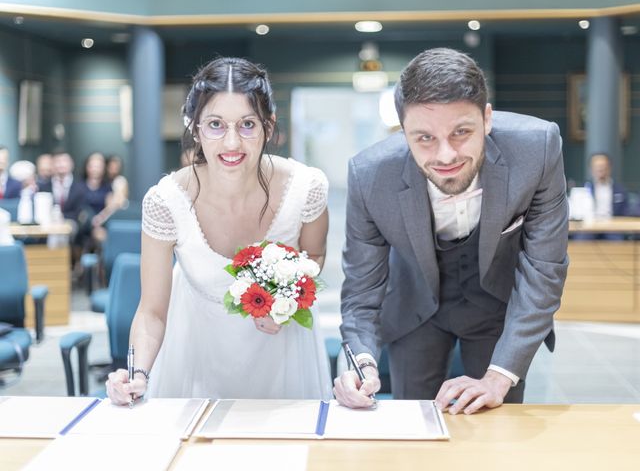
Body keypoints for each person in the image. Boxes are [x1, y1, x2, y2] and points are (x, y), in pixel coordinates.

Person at [334, 48, 569, 415]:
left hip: (497, 304)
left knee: (495, 421)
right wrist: (359, 362)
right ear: (403, 131)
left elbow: (544, 270)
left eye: (461, 132)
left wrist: (498, 377)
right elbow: (362, 289)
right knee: (411, 420)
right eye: (424, 138)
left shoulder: (537, 149)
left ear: (487, 119)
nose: (445, 155)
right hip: (413, 306)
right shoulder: (369, 176)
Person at [106, 57, 332, 404]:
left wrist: (285, 303)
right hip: (198, 350)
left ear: (268, 127)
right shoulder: (166, 201)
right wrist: (137, 373)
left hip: (282, 352)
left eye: (247, 125)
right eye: (215, 124)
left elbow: (313, 257)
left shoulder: (306, 187)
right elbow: (151, 311)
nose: (231, 143)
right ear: (195, 128)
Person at [584, 153, 628, 219]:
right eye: (597, 167)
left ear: (609, 168)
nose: (600, 169)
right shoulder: (584, 189)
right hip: (590, 226)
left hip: (614, 226)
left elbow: (626, 212)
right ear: (591, 169)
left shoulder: (620, 190)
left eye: (603, 166)